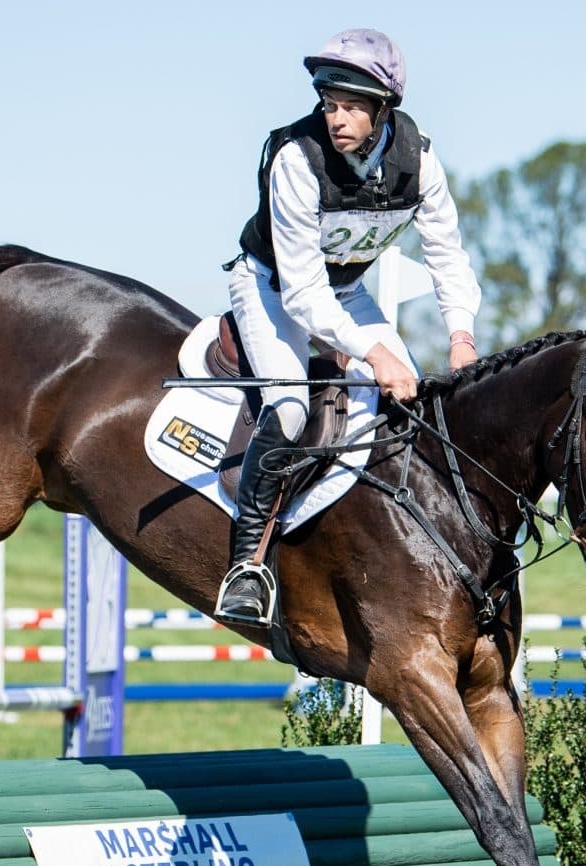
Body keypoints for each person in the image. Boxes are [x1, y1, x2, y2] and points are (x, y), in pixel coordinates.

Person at [215, 28, 482, 627]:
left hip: (345, 289)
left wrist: (461, 337)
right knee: (289, 408)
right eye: (330, 103)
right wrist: (373, 353)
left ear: (383, 110)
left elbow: (447, 256)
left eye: (352, 107)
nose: (336, 118)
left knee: (412, 403)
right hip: (271, 287)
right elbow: (303, 295)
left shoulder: (420, 161)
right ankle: (246, 566)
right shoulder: (296, 158)